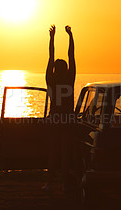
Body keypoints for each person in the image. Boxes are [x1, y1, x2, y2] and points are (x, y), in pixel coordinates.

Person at [43, 24, 76, 194]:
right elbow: (71, 55)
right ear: (67, 69)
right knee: (65, 154)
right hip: (68, 119)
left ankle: (49, 183)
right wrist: (70, 36)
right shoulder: (69, 79)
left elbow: (50, 56)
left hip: (55, 118)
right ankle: (64, 184)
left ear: (55, 69)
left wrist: (52, 38)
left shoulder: (51, 79)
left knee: (53, 152)